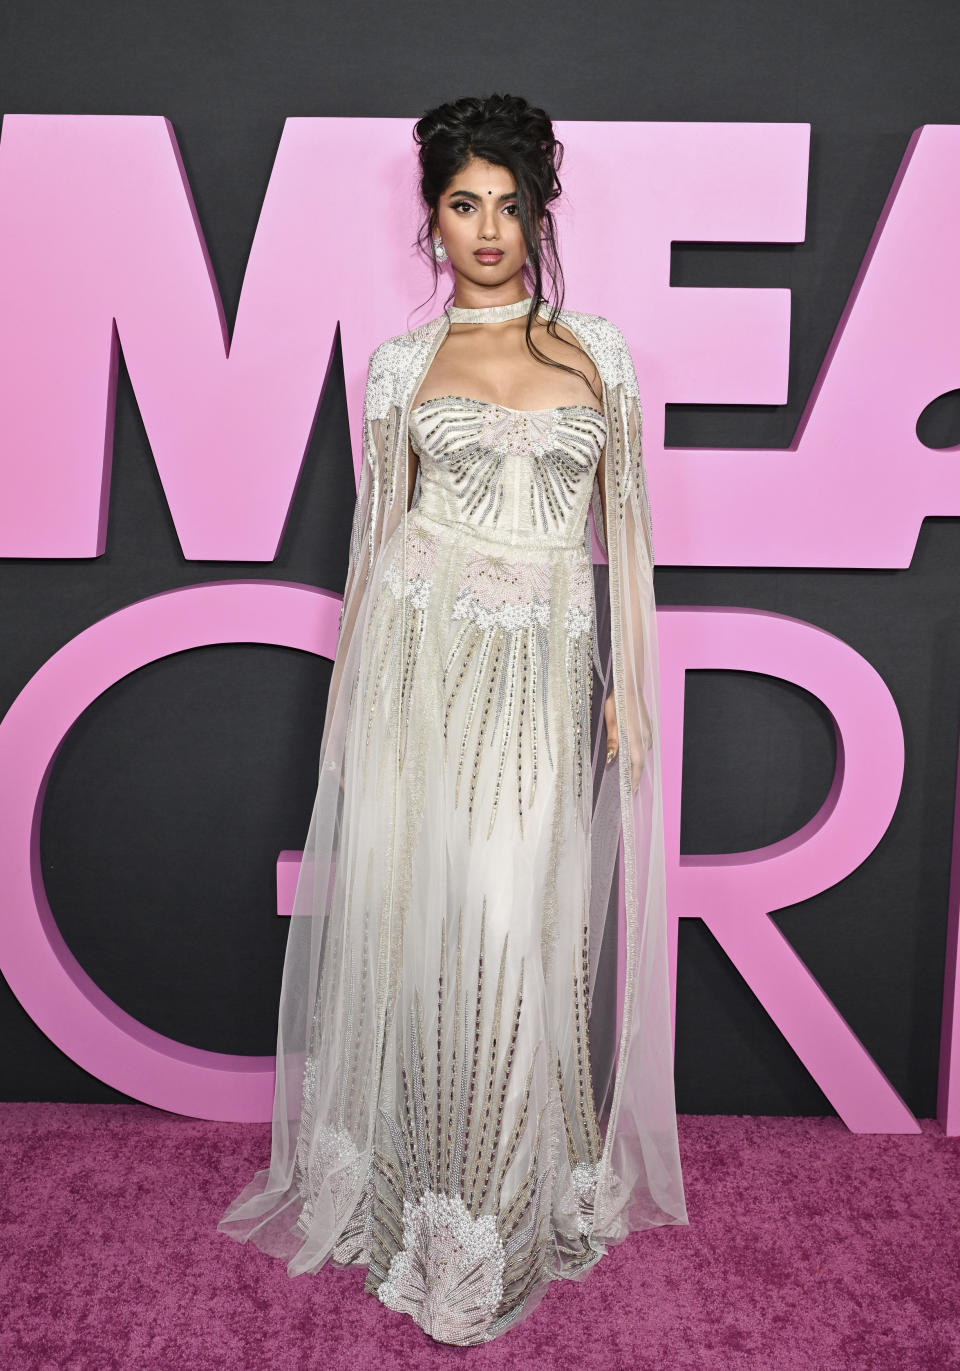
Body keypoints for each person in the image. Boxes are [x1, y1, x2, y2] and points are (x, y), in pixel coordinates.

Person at [218, 92, 688, 1346]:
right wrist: (349, 708)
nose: (488, 227)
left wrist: (628, 686)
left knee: (509, 919)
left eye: (509, 203)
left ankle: (502, 1202)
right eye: (462, 203)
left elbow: (626, 532)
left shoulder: (598, 351)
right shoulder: (398, 365)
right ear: (432, 220)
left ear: (541, 211)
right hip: (417, 672)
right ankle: (432, 1200)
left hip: (539, 676)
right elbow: (378, 544)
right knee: (429, 928)